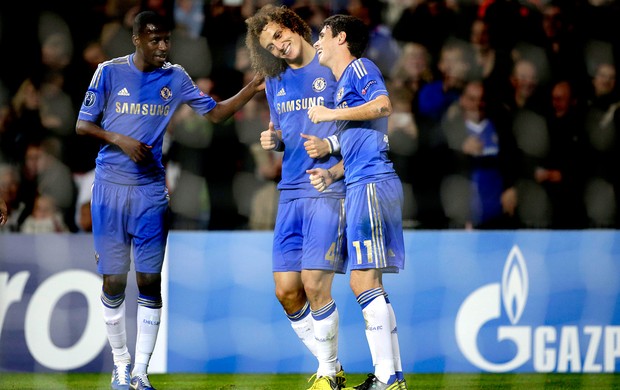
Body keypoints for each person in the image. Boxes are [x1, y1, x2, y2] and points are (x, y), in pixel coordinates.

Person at [75, 10, 264, 390]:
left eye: (166, 40)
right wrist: (120, 139)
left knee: (148, 281)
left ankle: (141, 373)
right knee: (113, 282)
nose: (163, 47)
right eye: (155, 40)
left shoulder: (175, 77)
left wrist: (250, 89)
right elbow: (82, 124)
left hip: (149, 192)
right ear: (136, 40)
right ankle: (121, 365)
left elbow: (216, 115)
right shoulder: (109, 72)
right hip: (109, 190)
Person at [244, 5, 347, 390]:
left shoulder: (332, 65)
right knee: (287, 291)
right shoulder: (275, 80)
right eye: (269, 45)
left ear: (292, 26)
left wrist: (332, 148)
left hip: (326, 188)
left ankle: (327, 375)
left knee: (314, 283)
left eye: (278, 35)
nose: (277, 46)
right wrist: (275, 141)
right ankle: (330, 367)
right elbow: (284, 130)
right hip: (289, 191)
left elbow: (359, 123)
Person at [307, 14, 407, 390]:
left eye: (322, 34)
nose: (317, 41)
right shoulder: (343, 81)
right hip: (363, 183)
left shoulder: (360, 67)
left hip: (373, 186)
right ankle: (392, 377)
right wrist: (333, 172)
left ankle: (386, 377)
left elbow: (382, 106)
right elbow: (363, 139)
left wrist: (332, 114)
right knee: (369, 281)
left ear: (341, 38)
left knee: (362, 280)